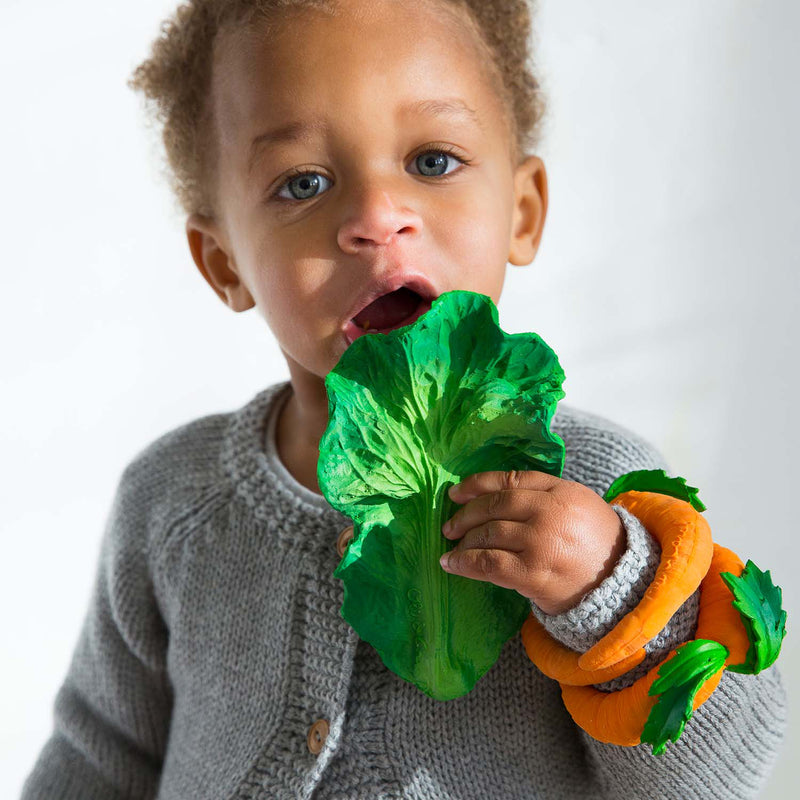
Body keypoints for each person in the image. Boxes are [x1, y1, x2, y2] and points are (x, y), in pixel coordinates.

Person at [21, 0, 787, 798]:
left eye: (432, 161)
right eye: (303, 183)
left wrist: (612, 591)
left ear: (521, 213)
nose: (376, 217)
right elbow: (98, 751)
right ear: (225, 264)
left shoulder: (595, 485)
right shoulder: (172, 499)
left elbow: (713, 777)